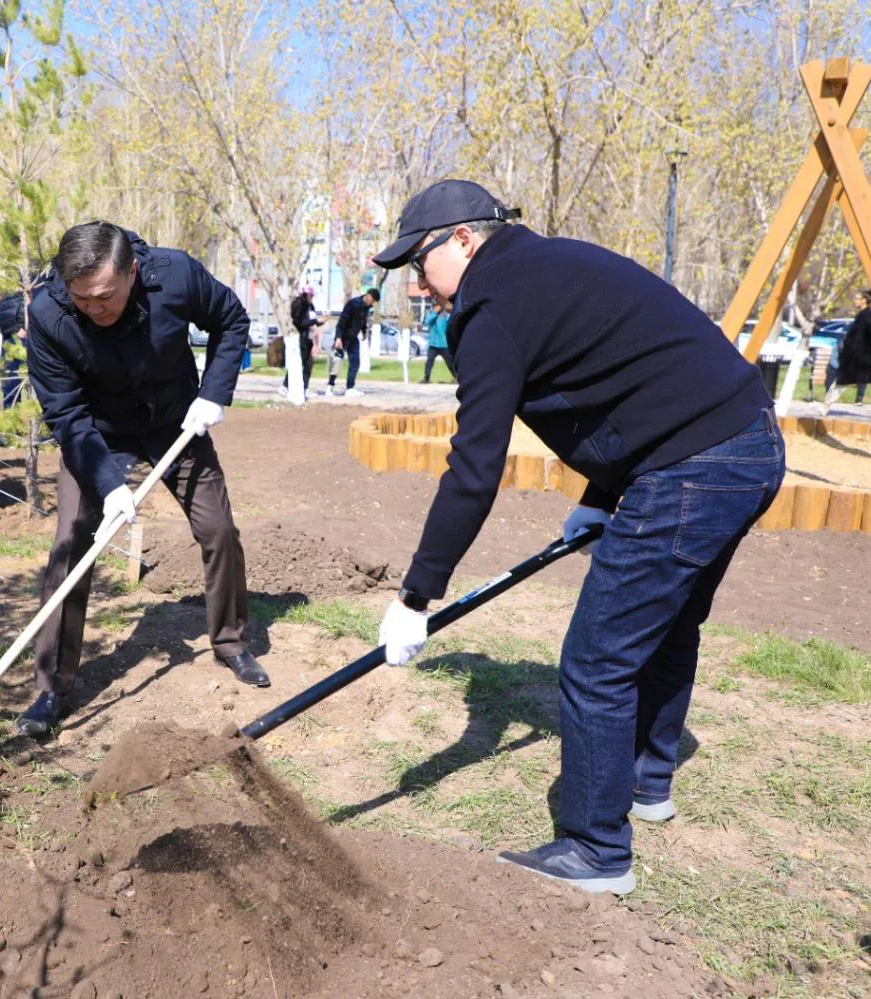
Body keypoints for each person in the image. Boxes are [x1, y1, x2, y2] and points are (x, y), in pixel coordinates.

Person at [371, 179, 784, 895]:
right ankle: (649, 782)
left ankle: (597, 850)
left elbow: (474, 467)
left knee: (596, 660)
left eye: (420, 261)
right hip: (746, 441)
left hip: (694, 465)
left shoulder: (491, 303)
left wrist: (417, 594)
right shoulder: (548, 264)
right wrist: (601, 496)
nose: (419, 282)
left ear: (463, 239)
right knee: (669, 622)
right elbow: (631, 380)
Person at [19, 221, 267, 736]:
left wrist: (215, 393)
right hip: (98, 432)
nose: (95, 308)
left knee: (218, 529)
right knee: (70, 545)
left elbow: (231, 319)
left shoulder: (175, 275)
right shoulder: (47, 314)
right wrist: (109, 485)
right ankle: (51, 688)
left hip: (178, 418)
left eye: (105, 296)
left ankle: (230, 642)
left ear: (132, 271)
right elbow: (65, 413)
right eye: (82, 298)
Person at [817, 290, 871, 418]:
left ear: (864, 300)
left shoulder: (867, 315)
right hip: (856, 357)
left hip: (865, 358)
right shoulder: (862, 315)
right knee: (841, 381)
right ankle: (825, 406)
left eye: (857, 299)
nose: (855, 301)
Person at [327, 287, 379, 397]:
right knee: (337, 362)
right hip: (343, 336)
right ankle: (330, 386)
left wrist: (364, 332)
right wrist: (338, 338)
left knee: (355, 362)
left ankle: (350, 388)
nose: (372, 302)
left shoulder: (367, 307)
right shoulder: (353, 304)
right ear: (368, 295)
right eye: (372, 300)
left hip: (353, 338)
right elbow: (342, 321)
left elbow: (363, 320)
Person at [285, 286, 322, 395]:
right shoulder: (298, 305)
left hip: (309, 338)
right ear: (304, 295)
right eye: (310, 295)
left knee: (308, 364)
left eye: (312, 296)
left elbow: (312, 321)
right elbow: (300, 323)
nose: (311, 298)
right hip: (300, 338)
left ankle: (304, 388)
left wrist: (320, 321)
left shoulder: (311, 306)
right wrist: (314, 321)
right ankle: (286, 385)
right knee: (297, 363)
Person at [422, 299, 453, 383]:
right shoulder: (433, 315)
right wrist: (435, 312)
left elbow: (451, 322)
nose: (437, 307)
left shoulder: (446, 315)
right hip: (433, 344)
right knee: (429, 362)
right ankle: (426, 378)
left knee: (450, 363)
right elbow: (427, 321)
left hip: (443, 344)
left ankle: (457, 378)